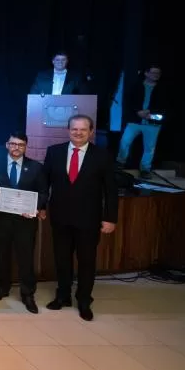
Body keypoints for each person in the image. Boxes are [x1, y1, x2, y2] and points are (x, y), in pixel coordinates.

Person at [43, 114, 118, 321]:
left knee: (86, 261)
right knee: (62, 260)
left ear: (91, 132)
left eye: (83, 129)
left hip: (89, 220)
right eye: (74, 129)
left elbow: (111, 190)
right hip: (60, 218)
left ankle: (84, 300)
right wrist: (40, 206)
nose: (78, 133)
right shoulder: (54, 152)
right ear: (68, 130)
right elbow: (44, 183)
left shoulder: (102, 156)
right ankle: (63, 296)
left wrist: (110, 218)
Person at [0, 132, 47, 313]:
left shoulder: (36, 167)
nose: (16, 148)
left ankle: (27, 293)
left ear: (25, 147)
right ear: (7, 145)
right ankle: (2, 288)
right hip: (2, 219)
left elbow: (43, 192)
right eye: (13, 144)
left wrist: (35, 207)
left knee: (26, 257)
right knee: (2, 254)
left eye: (20, 145)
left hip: (25, 220)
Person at [116, 65, 165, 177]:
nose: (156, 75)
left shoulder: (162, 89)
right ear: (146, 73)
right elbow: (129, 102)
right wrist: (138, 112)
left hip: (152, 123)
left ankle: (145, 169)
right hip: (135, 120)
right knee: (125, 141)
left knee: (149, 147)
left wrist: (150, 112)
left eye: (158, 73)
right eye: (153, 72)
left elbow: (165, 105)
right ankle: (120, 162)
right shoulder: (137, 86)